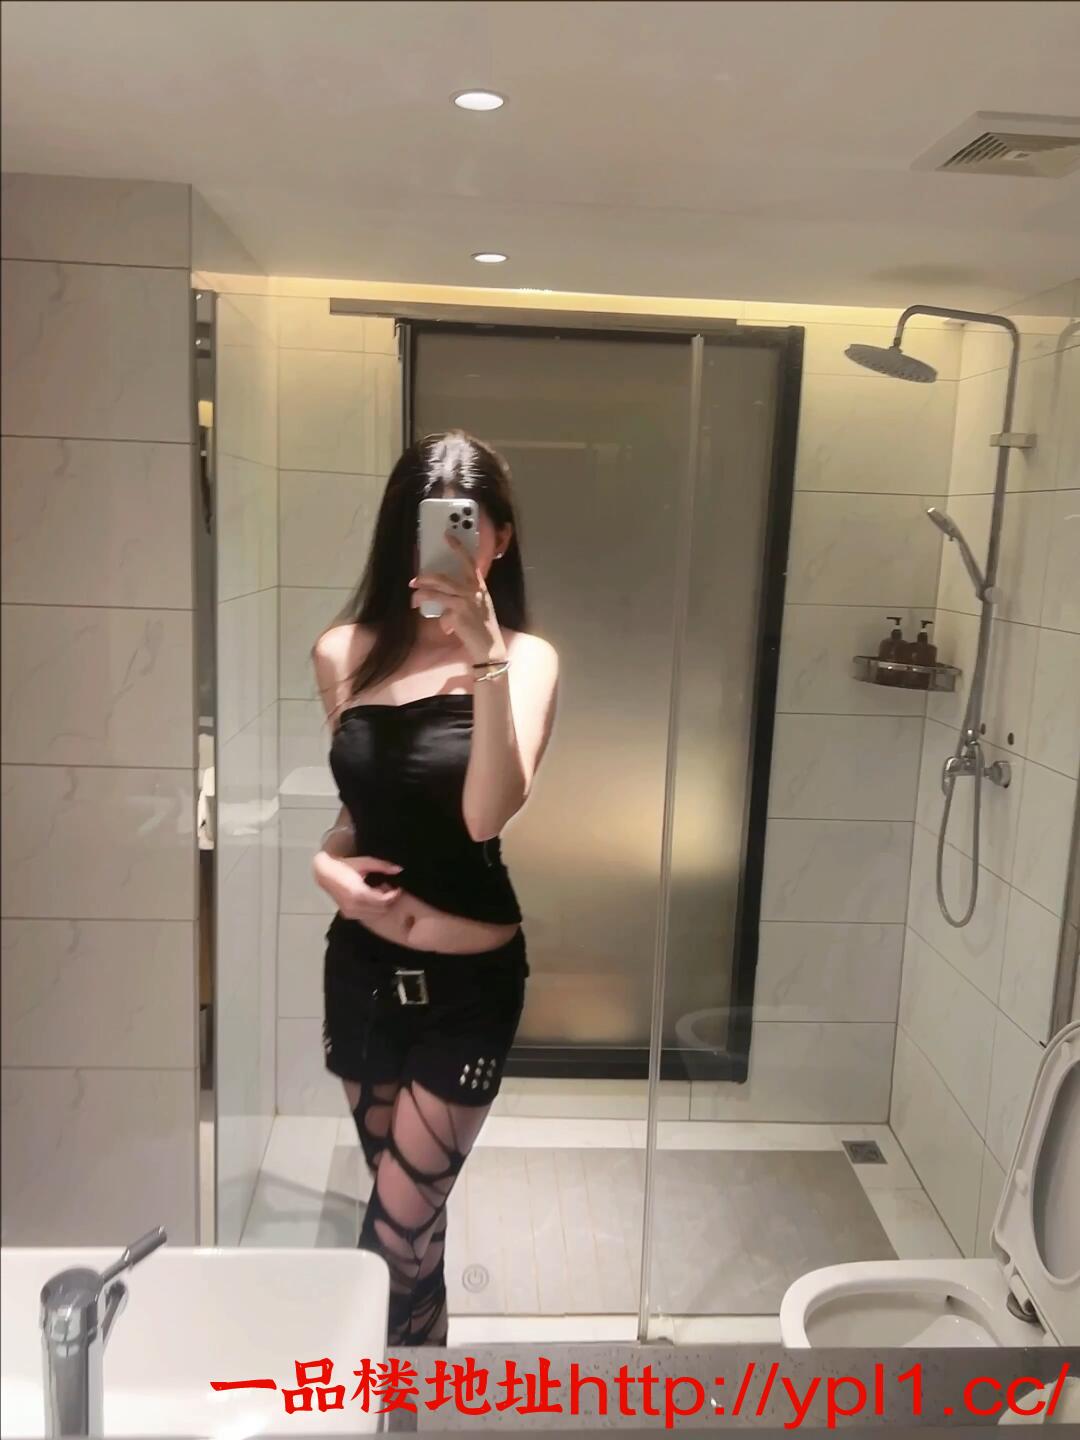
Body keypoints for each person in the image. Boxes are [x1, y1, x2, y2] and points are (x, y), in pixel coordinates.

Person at [312, 431, 558, 1346]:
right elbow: (364, 812)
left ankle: (368, 1399)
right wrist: (325, 862)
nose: (451, 546)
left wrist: (484, 655)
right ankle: (423, 1400)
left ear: (500, 538)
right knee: (415, 1236)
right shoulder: (343, 654)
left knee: (391, 1240)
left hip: (469, 989)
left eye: (468, 527)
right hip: (362, 975)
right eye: (430, 527)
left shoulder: (528, 660)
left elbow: (485, 815)